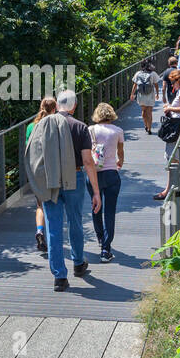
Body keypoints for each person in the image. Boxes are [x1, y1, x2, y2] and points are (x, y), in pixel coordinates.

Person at [25, 88, 101, 291]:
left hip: (50, 180)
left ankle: (59, 276)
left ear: (57, 105)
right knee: (75, 222)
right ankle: (78, 263)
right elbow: (87, 161)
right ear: (74, 106)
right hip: (74, 178)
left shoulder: (41, 126)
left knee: (53, 227)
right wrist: (96, 191)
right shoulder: (80, 127)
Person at [86, 102, 125, 261]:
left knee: (96, 206)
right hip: (111, 173)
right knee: (110, 211)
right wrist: (119, 162)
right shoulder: (118, 131)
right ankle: (106, 249)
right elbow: (120, 152)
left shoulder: (90, 130)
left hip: (94, 174)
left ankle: (100, 238)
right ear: (111, 114)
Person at [153, 69, 180, 201]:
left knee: (173, 159)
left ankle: (172, 190)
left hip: (177, 128)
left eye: (173, 82)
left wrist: (169, 108)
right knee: (174, 158)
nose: (172, 85)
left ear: (179, 80)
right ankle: (171, 188)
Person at [24, 96, 58, 253]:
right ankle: (52, 236)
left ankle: (39, 231)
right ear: (54, 109)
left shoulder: (31, 126)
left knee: (40, 204)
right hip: (51, 169)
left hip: (35, 169)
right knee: (52, 202)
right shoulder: (55, 124)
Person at [131, 59, 162, 132]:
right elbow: (156, 84)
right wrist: (157, 94)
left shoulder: (138, 73)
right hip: (150, 94)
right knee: (149, 112)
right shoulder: (153, 73)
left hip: (141, 95)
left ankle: (145, 125)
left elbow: (135, 84)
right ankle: (149, 128)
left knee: (143, 110)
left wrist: (132, 94)